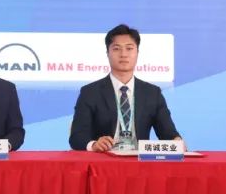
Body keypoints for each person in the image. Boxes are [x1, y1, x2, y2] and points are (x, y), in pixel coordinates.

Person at [69, 24, 183, 152]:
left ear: (137, 53)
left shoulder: (152, 93)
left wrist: (176, 141)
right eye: (116, 49)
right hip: (104, 159)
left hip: (139, 160)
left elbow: (168, 133)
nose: (123, 54)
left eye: (129, 48)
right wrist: (94, 144)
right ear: (107, 53)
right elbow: (77, 137)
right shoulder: (90, 92)